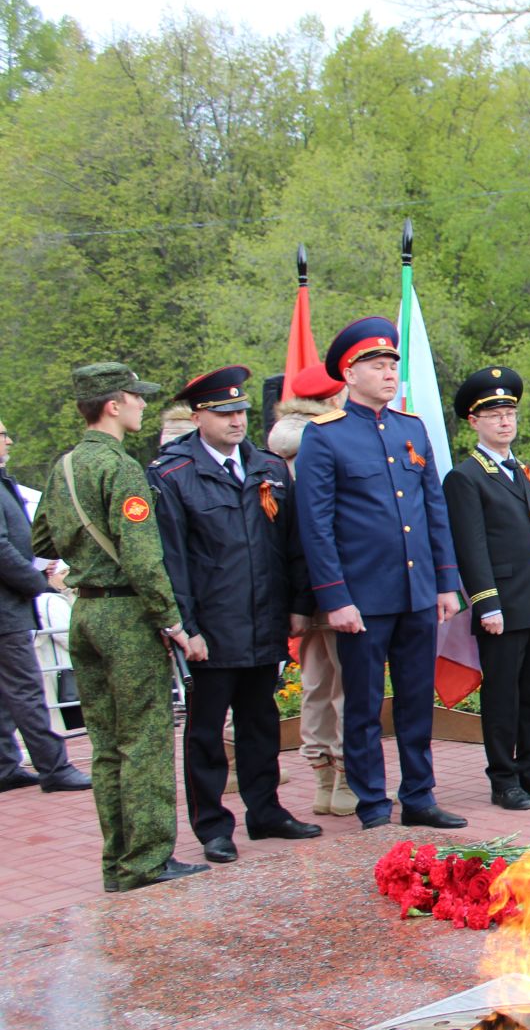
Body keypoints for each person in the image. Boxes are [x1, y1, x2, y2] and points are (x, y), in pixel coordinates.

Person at [30, 364, 206, 891]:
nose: (141, 406)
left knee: (106, 746)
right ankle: (148, 860)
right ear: (113, 404)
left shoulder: (64, 467)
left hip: (85, 611)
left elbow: (41, 542)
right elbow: (143, 558)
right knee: (146, 740)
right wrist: (171, 621)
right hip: (127, 615)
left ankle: (118, 859)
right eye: (135, 398)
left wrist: (83, 557)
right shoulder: (122, 468)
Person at [296, 318, 467, 830]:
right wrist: (335, 597)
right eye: (377, 365)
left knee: (416, 701)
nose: (390, 373)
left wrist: (444, 582)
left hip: (416, 593)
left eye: (393, 364)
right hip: (363, 599)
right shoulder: (324, 436)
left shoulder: (410, 428)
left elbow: (433, 509)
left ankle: (419, 795)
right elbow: (316, 525)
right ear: (349, 374)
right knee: (364, 706)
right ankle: (371, 802)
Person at [147, 365, 322, 863]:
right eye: (224, 413)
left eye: (241, 411)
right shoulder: (173, 474)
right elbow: (172, 559)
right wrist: (187, 628)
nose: (236, 421)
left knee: (261, 723)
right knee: (206, 733)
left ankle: (265, 811)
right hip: (212, 628)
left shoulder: (267, 467)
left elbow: (292, 544)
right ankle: (212, 827)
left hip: (264, 620)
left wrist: (297, 606)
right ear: (199, 416)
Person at [444, 366, 530, 811]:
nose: (504, 421)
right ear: (474, 422)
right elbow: (472, 547)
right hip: (502, 606)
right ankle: (503, 778)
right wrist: (486, 603)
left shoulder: (527, 471)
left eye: (509, 412)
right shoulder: (466, 477)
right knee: (503, 696)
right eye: (493, 414)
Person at [267, 364, 356, 818]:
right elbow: (318, 529)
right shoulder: (327, 443)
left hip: (300, 590)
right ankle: (343, 780)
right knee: (346, 685)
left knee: (315, 683)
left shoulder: (279, 452)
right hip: (335, 583)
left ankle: (322, 779)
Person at [0, 418, 89, 793]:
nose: (9, 440)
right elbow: (1, 550)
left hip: (9, 604)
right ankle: (54, 767)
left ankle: (5, 765)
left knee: (8, 693)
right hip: (6, 608)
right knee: (25, 689)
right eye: (2, 434)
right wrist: (37, 580)